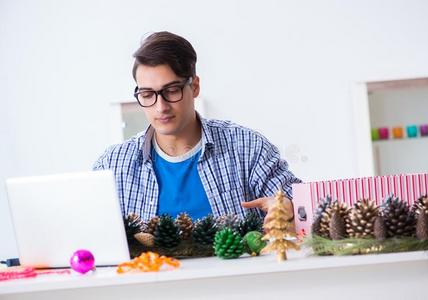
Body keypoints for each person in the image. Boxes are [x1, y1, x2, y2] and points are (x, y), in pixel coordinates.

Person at [93, 31, 301, 221]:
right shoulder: (113, 165)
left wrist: (289, 208)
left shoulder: (246, 147)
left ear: (194, 86)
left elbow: (302, 205)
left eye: (172, 90)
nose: (161, 107)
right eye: (147, 95)